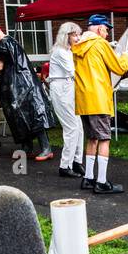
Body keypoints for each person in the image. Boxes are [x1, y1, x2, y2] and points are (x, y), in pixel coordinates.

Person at [72, 13, 128, 194]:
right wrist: (125, 56)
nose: (107, 34)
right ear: (99, 29)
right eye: (106, 30)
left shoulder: (79, 45)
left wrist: (109, 48)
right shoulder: (100, 43)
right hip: (99, 98)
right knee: (104, 139)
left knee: (92, 139)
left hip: (84, 99)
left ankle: (88, 178)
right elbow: (120, 67)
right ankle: (102, 181)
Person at [0, 22, 54, 161]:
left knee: (24, 116)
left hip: (17, 85)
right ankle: (29, 148)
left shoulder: (2, 44)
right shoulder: (13, 40)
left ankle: (44, 149)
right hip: (27, 83)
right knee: (30, 115)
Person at [48, 22, 85, 179]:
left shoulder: (68, 51)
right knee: (71, 128)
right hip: (61, 88)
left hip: (67, 87)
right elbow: (73, 70)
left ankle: (76, 161)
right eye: (74, 35)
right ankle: (65, 165)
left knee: (79, 126)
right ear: (66, 36)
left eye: (78, 34)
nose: (78, 38)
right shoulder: (60, 52)